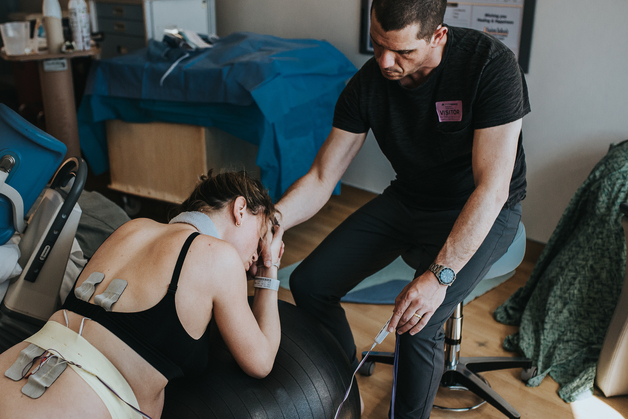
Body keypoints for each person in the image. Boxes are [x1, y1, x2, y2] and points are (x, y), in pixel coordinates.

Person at [258, 0, 530, 417]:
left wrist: (438, 276)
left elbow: (491, 190)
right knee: (311, 284)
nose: (385, 62)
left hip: (486, 208)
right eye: (377, 44)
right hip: (411, 199)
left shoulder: (489, 66)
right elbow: (320, 178)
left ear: (438, 35)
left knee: (418, 323)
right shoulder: (367, 85)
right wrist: (269, 225)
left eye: (402, 52)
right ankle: (345, 378)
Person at [0, 170, 284, 419]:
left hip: (17, 365)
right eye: (259, 238)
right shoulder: (220, 257)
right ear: (240, 209)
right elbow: (260, 362)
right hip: (75, 402)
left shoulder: (132, 228)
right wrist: (269, 271)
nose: (256, 254)